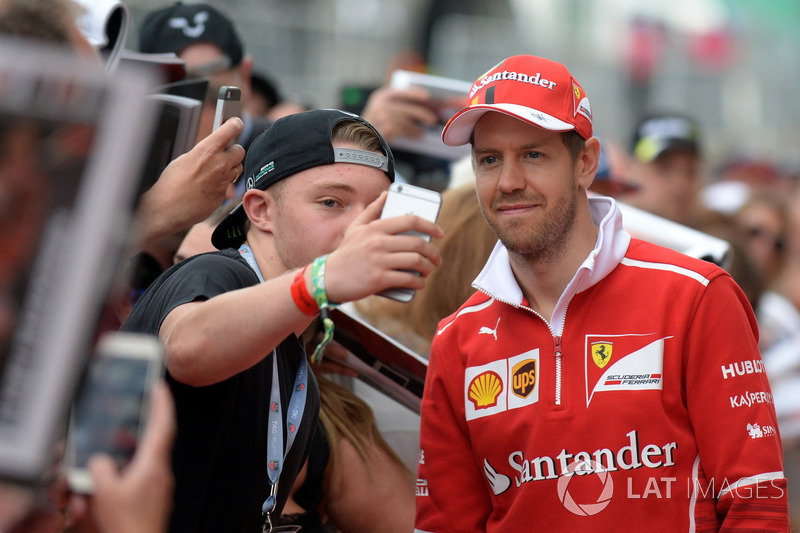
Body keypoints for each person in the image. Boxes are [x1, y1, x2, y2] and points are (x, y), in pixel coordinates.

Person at [415, 54, 789, 531]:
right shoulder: (458, 340)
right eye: (490, 160)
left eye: (533, 154)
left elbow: (755, 504)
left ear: (585, 163)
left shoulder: (696, 297)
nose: (508, 182)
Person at [121, 108, 442, 533]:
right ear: (260, 211)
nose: (360, 229)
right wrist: (320, 280)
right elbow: (185, 347)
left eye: (375, 210)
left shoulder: (296, 336)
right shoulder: (221, 273)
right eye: (332, 203)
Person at [620, 112, 717, 228]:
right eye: (664, 168)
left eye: (690, 170)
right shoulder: (602, 238)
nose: (680, 184)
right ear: (630, 169)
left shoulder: (721, 240)